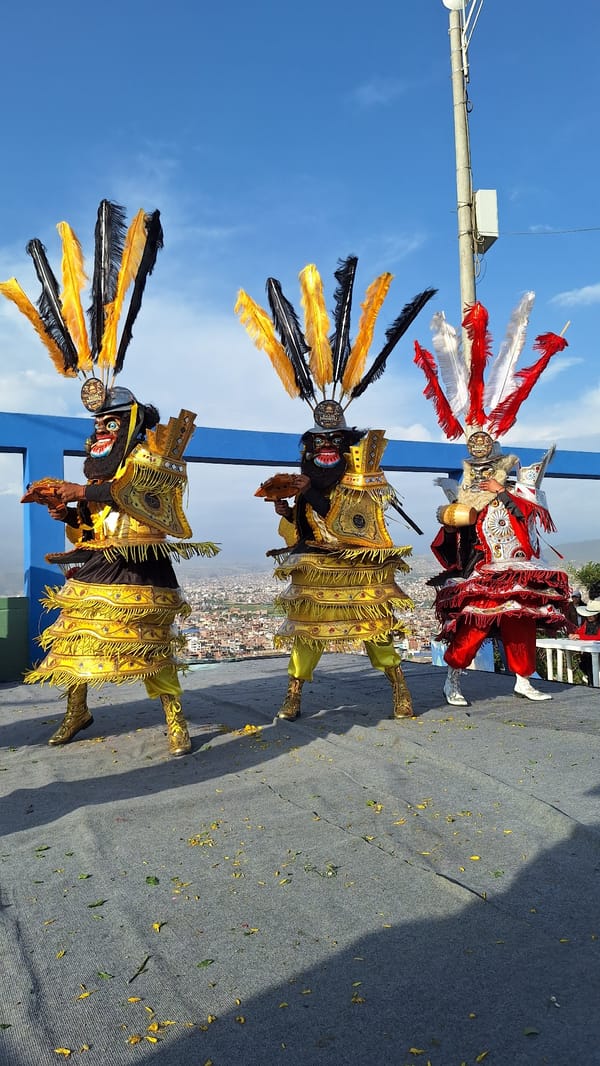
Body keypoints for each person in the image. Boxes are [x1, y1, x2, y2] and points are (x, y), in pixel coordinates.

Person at [1, 201, 218, 755]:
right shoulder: (102, 453)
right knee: (77, 633)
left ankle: (174, 717)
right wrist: (67, 508)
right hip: (98, 550)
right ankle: (77, 710)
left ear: (131, 420)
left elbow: (140, 498)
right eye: (98, 423)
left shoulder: (155, 448)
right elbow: (98, 502)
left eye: (112, 421)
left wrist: (81, 490)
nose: (103, 430)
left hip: (140, 557)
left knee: (149, 640)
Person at [236, 257, 435, 720]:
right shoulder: (305, 479)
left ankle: (400, 689)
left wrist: (326, 498)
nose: (326, 447)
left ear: (346, 446)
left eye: (334, 442)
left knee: (377, 631)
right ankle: (294, 694)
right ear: (309, 447)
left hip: (361, 564)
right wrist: (287, 508)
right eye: (319, 442)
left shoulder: (363, 476)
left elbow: (366, 521)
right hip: (316, 563)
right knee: (307, 630)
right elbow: (305, 520)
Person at [413, 295, 572, 706]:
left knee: (521, 621)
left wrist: (503, 491)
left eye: (487, 440)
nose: (481, 444)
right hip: (486, 568)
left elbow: (533, 513)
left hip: (520, 565)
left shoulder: (516, 485)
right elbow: (456, 529)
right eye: (475, 441)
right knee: (478, 620)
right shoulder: (466, 492)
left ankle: (523, 679)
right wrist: (453, 513)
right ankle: (454, 678)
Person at [573, 582, 600, 685]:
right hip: (588, 653)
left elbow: (598, 637)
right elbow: (580, 631)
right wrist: (574, 634)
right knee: (584, 664)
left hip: (597, 653)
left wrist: (580, 636)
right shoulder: (586, 622)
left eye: (592, 615)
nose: (589, 617)